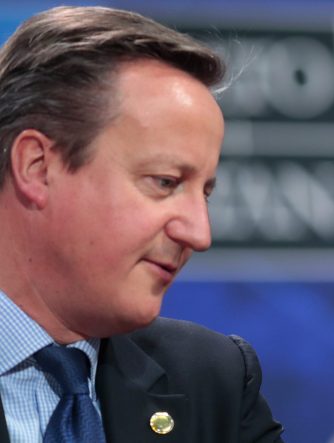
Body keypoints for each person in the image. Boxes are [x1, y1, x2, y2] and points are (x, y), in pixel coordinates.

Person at [0, 6, 283, 442]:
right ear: (37, 167)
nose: (199, 234)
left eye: (205, 193)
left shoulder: (215, 381)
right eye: (165, 182)